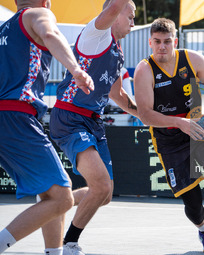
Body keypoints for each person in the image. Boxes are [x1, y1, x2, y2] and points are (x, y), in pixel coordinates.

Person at [134, 18, 204, 253]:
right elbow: (146, 115)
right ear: (150, 42)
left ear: (175, 42)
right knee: (192, 203)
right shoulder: (144, 69)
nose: (162, 47)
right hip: (169, 138)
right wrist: (178, 122)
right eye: (157, 42)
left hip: (198, 125)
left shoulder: (192, 58)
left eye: (167, 41)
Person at [0, 0, 94, 254]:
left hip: (6, 116)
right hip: (15, 116)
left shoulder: (3, 29)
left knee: (50, 194)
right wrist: (75, 69)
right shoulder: (37, 14)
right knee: (62, 198)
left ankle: (54, 252)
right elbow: (50, 33)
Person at [48, 0, 137, 254]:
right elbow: (110, 8)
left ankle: (56, 202)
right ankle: (70, 244)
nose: (133, 22)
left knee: (104, 194)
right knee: (101, 187)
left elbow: (118, 94)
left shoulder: (118, 52)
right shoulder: (95, 35)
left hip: (93, 122)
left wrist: (148, 115)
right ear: (115, 13)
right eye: (129, 16)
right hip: (70, 117)